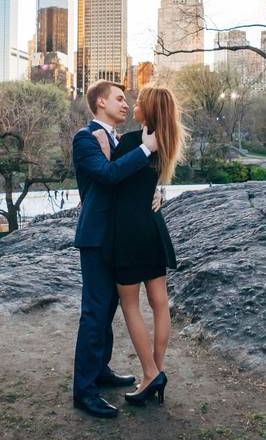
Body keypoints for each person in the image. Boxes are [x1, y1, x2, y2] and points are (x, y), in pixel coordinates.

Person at [70, 80, 162, 419]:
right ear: (99, 103)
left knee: (109, 309)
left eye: (127, 100)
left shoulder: (120, 140)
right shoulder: (84, 139)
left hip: (119, 237)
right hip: (96, 238)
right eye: (119, 99)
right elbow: (108, 176)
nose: (126, 105)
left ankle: (100, 370)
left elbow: (130, 182)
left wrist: (156, 192)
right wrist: (146, 150)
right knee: (94, 312)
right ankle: (84, 391)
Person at [93, 84, 184, 407]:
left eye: (139, 103)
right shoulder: (166, 143)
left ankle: (150, 374)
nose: (133, 106)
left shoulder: (135, 142)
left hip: (129, 232)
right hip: (153, 229)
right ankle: (156, 369)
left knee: (131, 304)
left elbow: (109, 177)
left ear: (150, 110)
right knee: (160, 302)